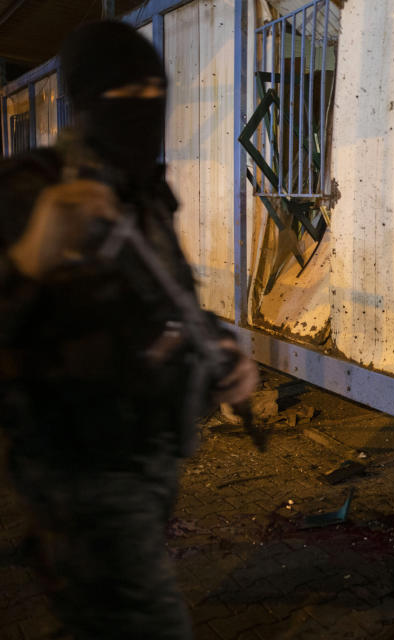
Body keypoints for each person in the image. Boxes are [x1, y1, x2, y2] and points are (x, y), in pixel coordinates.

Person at [0, 22, 257, 639]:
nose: (144, 107)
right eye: (125, 92)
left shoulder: (145, 191)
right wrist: (33, 256)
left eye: (155, 90)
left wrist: (221, 347)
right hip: (77, 462)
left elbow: (171, 297)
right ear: (85, 101)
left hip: (150, 450)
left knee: (100, 613)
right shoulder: (29, 188)